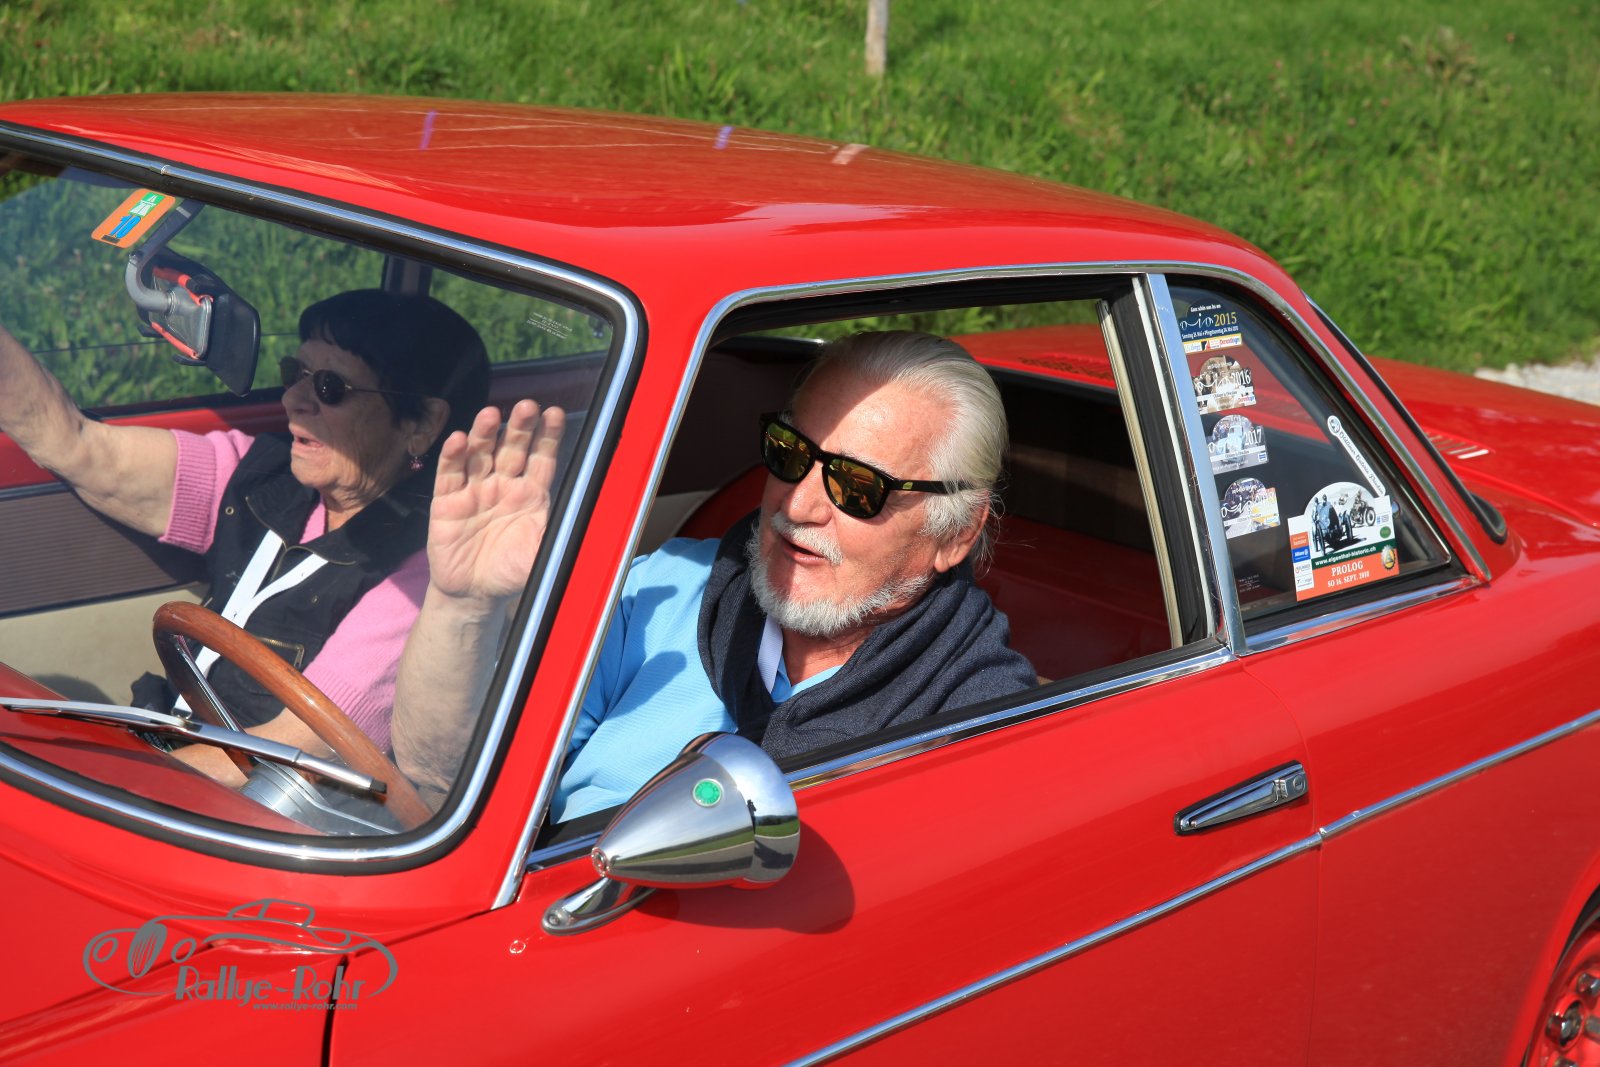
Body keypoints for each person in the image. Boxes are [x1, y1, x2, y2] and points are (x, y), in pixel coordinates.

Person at [390, 331, 1037, 820]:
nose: (798, 505)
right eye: (791, 452)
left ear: (955, 533)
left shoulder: (977, 729)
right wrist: (463, 602)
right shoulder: (669, 588)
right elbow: (442, 777)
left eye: (857, 486)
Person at [0, 289, 490, 784]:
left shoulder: (419, 578)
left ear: (421, 424)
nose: (292, 399)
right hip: (170, 749)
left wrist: (100, 780)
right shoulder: (261, 473)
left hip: (241, 803)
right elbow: (80, 447)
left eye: (330, 387)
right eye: (294, 373)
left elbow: (291, 751)